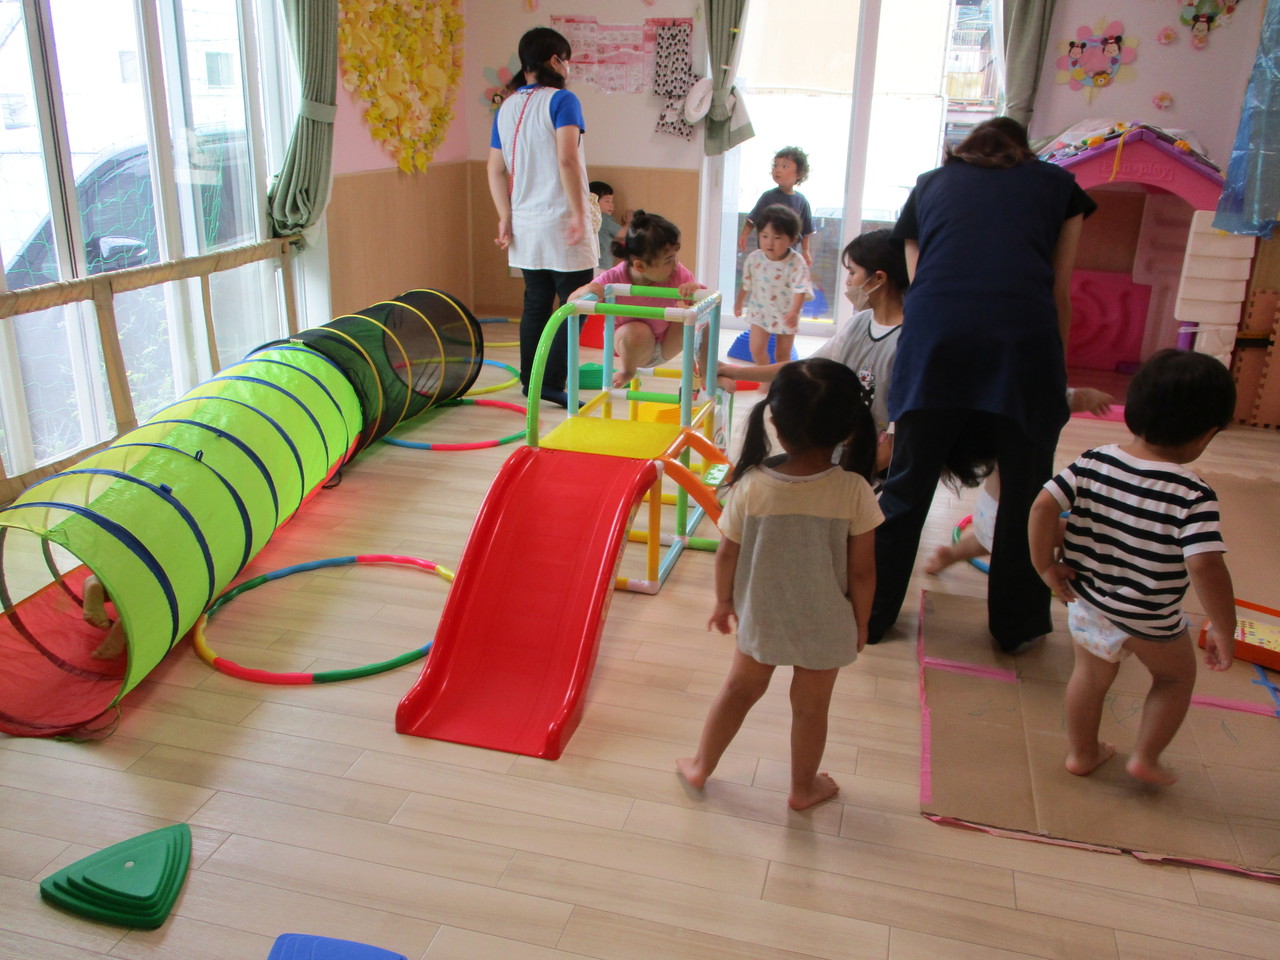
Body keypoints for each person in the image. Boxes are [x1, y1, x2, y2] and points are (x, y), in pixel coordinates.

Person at [868, 116, 1097, 652]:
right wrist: (1053, 375)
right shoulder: (1060, 187)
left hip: (936, 344)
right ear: (1026, 151)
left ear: (965, 152)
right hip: (1022, 343)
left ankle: (871, 616)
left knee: (906, 486)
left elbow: (922, 284)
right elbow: (1058, 289)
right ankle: (1015, 629)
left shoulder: (930, 184)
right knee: (1024, 492)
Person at [676, 358, 882, 811]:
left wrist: (724, 601)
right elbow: (864, 571)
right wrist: (862, 622)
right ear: (849, 429)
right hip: (827, 622)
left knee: (737, 692)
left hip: (762, 615)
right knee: (811, 710)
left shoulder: (751, 486)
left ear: (775, 421)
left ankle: (699, 766)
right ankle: (802, 789)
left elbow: (726, 552)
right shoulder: (854, 490)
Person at [1029, 349, 1238, 786]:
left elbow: (1043, 504)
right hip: (1150, 615)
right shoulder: (1193, 494)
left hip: (1090, 600)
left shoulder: (1094, 460)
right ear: (1207, 434)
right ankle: (1145, 757)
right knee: (1174, 679)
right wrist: (1223, 626)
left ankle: (1082, 755)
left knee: (1088, 676)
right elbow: (1204, 564)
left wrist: (1044, 565)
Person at [721, 228, 907, 473]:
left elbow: (895, 441)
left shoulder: (907, 342)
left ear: (879, 278)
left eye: (852, 272)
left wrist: (846, 480)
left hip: (869, 469)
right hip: (836, 456)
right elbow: (801, 370)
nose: (848, 282)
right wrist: (732, 371)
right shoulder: (858, 324)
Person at [487, 27, 599, 408]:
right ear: (555, 60)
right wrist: (580, 214)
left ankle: (530, 380)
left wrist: (504, 216)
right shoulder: (563, 100)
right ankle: (551, 382)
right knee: (577, 303)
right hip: (560, 220)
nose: (569, 66)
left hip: (526, 225)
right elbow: (567, 158)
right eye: (566, 58)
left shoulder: (507, 105)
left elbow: (494, 169)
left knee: (536, 302)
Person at [925, 386, 1115, 574]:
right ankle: (1072, 568)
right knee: (1075, 530)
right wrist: (1089, 397)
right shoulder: (1030, 404)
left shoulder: (997, 411)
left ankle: (950, 555)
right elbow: (1060, 399)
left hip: (987, 509)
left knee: (985, 539)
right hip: (1017, 519)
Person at [568, 211, 702, 387]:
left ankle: (702, 368)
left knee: (689, 315)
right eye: (669, 259)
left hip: (664, 345)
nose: (676, 263)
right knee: (637, 331)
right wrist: (585, 290)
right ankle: (627, 371)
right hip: (629, 346)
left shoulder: (676, 273)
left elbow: (702, 302)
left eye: (675, 255)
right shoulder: (613, 278)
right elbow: (571, 303)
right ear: (640, 265)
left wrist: (694, 291)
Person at [735, 205, 811, 367]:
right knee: (755, 349)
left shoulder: (796, 262)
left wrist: (794, 311)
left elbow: (801, 288)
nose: (769, 242)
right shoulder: (755, 258)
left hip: (786, 314)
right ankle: (766, 377)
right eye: (764, 236)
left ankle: (781, 381)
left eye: (777, 238)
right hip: (760, 311)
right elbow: (747, 282)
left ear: (792, 239)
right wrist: (739, 302)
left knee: (782, 354)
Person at [737, 147, 815, 265]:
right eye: (775, 165)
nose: (778, 170)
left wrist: (806, 250)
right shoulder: (768, 197)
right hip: (765, 256)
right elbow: (753, 219)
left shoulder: (801, 201)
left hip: (788, 257)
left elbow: (806, 230)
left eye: (784, 166)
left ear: (799, 173)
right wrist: (744, 235)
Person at [589, 180, 625, 273]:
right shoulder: (603, 218)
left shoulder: (588, 217)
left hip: (591, 264)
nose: (611, 205)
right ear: (594, 202)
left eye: (612, 201)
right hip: (602, 265)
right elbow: (623, 234)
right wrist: (629, 222)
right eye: (607, 201)